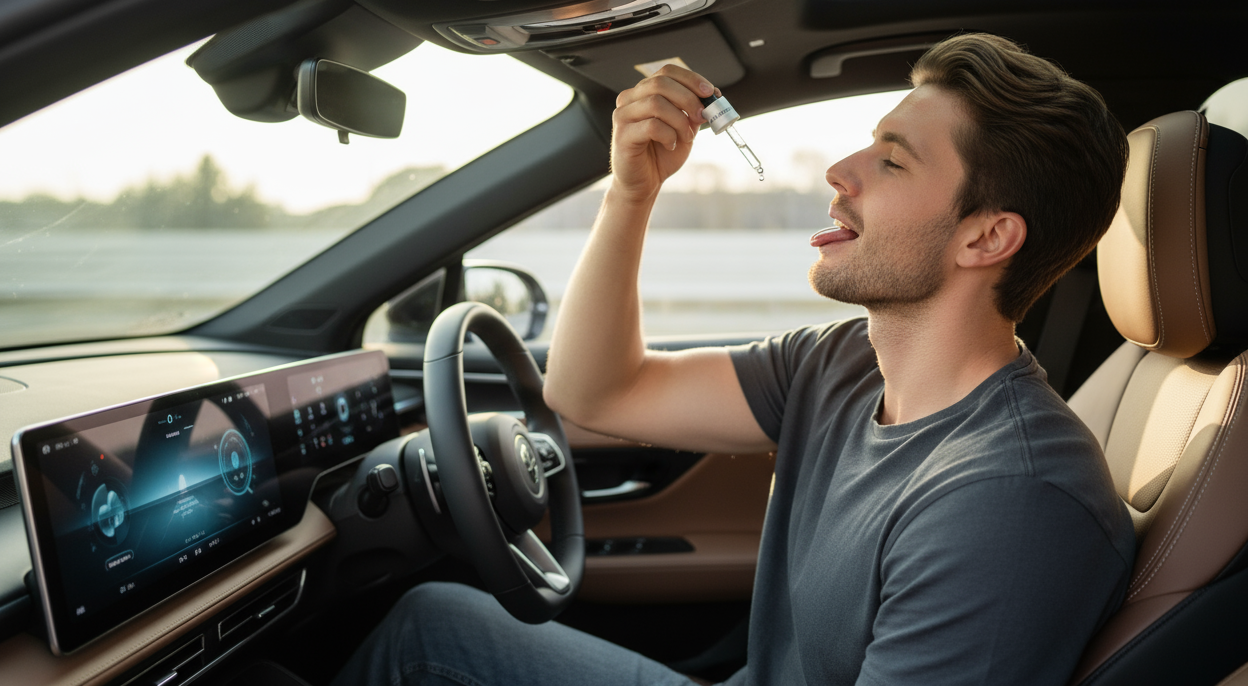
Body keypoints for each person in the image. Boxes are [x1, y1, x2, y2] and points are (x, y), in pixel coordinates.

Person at [333, 34, 1136, 685]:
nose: (839, 171)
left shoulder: (1011, 502)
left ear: (986, 237)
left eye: (891, 161)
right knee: (432, 624)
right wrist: (630, 194)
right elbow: (595, 392)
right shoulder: (842, 366)